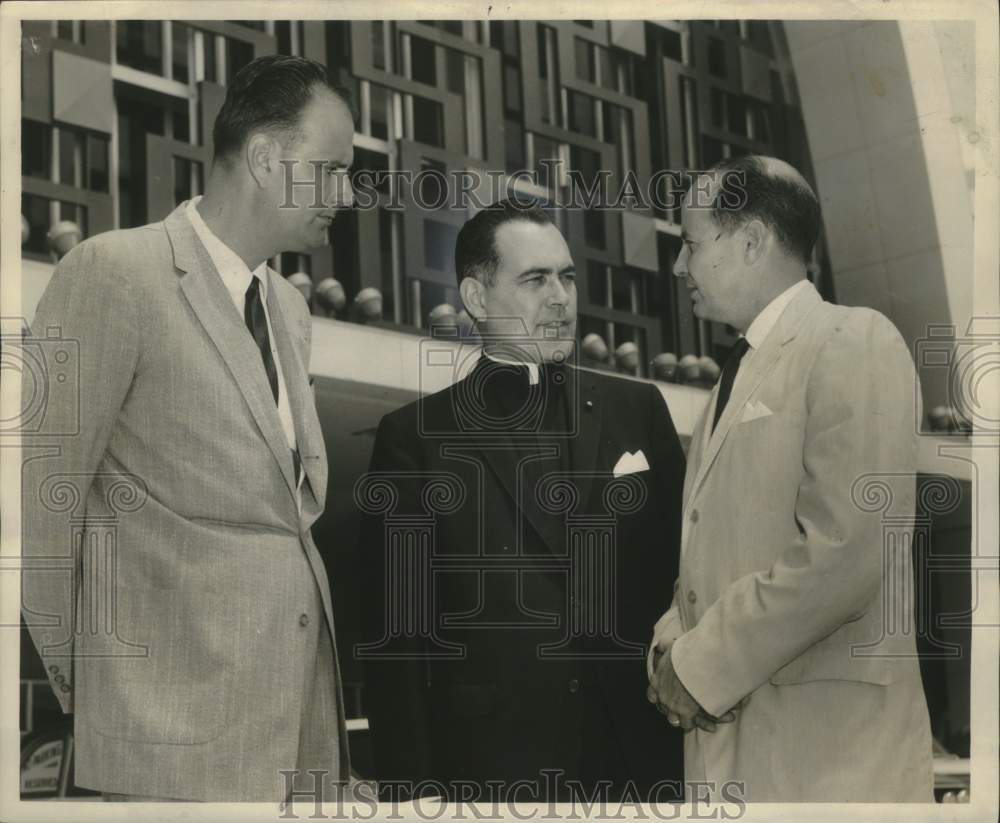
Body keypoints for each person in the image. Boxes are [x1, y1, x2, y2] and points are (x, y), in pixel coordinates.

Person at [20, 55, 355, 802]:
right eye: (332, 169)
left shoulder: (291, 312)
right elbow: (44, 506)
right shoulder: (113, 271)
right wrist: (112, 694)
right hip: (164, 748)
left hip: (296, 738)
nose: (347, 192)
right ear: (267, 159)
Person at [359, 201, 687, 802]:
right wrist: (412, 794)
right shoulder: (415, 437)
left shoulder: (638, 409)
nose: (560, 296)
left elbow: (689, 574)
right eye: (535, 280)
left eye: (566, 276)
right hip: (491, 774)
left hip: (642, 763)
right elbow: (396, 644)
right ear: (477, 298)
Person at [646, 155, 934, 802]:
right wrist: (671, 644)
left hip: (828, 766)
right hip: (738, 764)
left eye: (690, 245)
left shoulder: (854, 339)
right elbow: (710, 556)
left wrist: (698, 665)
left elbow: (846, 553)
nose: (678, 267)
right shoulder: (732, 376)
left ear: (750, 241)